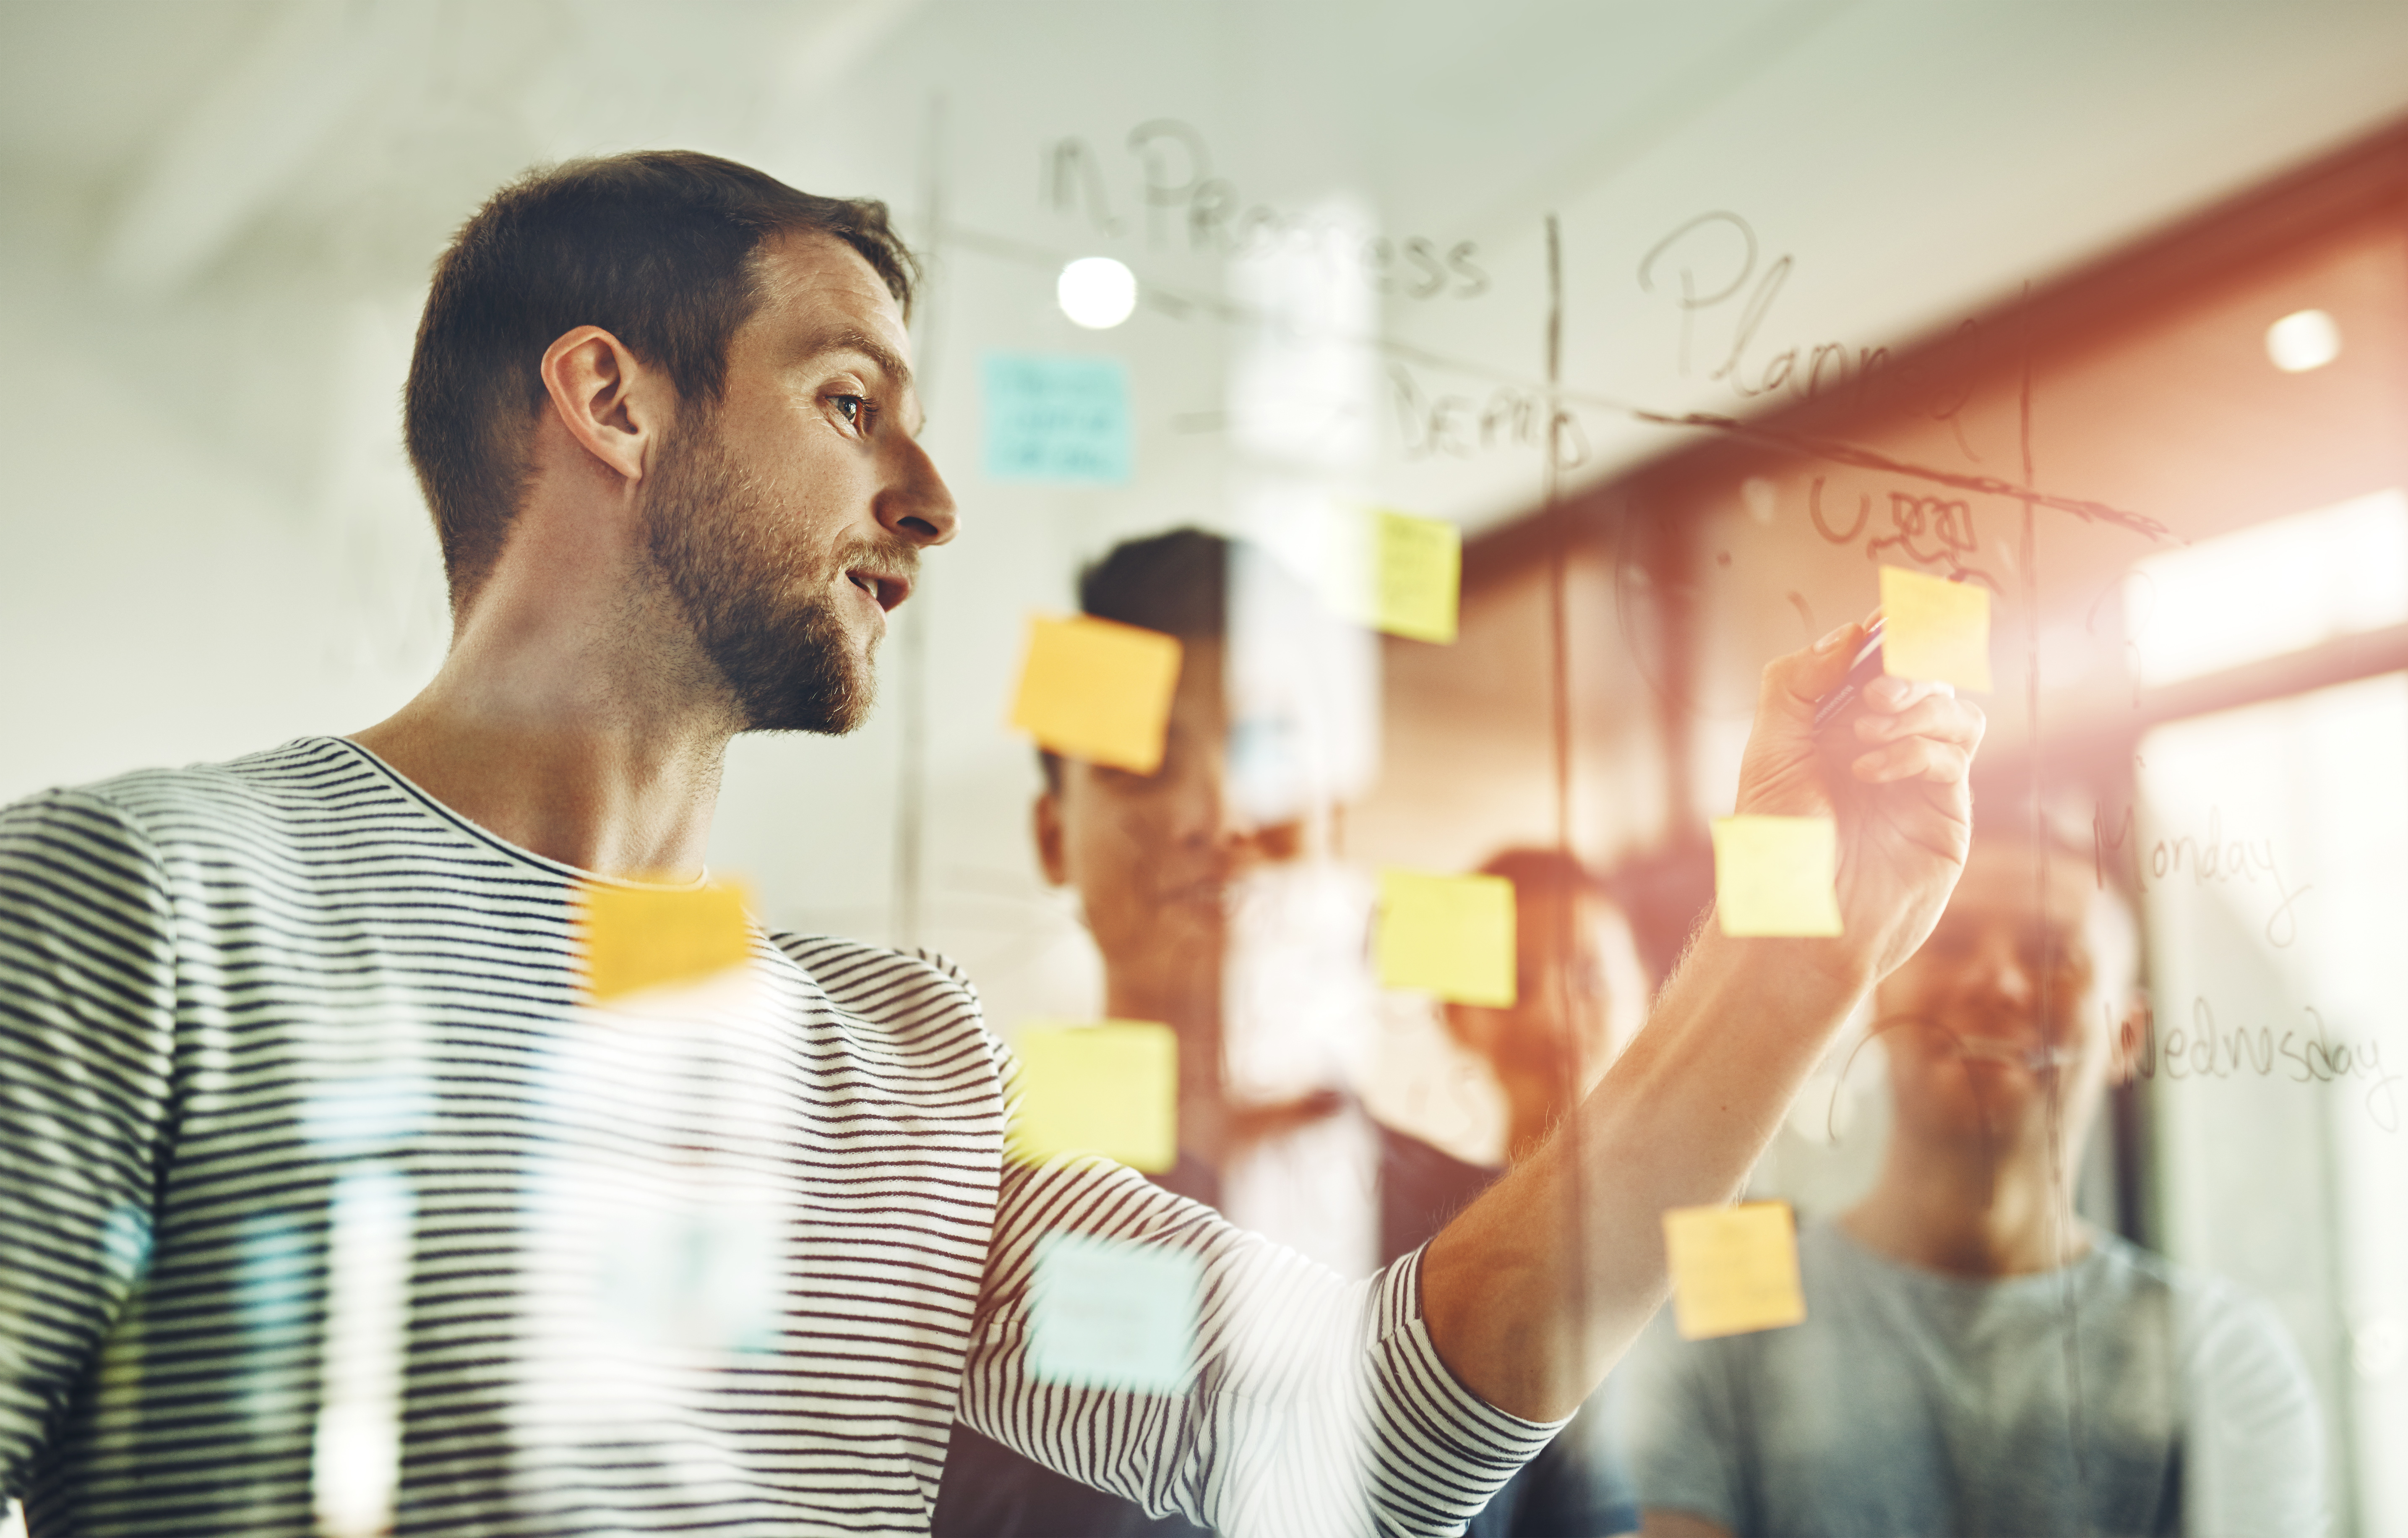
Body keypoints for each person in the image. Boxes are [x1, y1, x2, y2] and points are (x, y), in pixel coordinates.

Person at [0, 149, 1985, 1535]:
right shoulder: (144, 905)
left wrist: (1792, 950)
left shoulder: (902, 1059)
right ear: (607, 396)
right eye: (852, 399)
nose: (932, 499)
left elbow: (1373, 1438)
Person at [932, 535, 1642, 1537]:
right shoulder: (956, 1232)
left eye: (1263, 755)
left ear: (1332, 817)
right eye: (1141, 765)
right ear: (1054, 836)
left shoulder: (1487, 1230)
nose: (1215, 810)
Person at [1620, 820, 2326, 1537]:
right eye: (1950, 944)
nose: (1995, 981)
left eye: (2053, 956)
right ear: (1881, 994)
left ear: (2126, 1037)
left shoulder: (2219, 1353)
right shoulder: (1720, 1323)